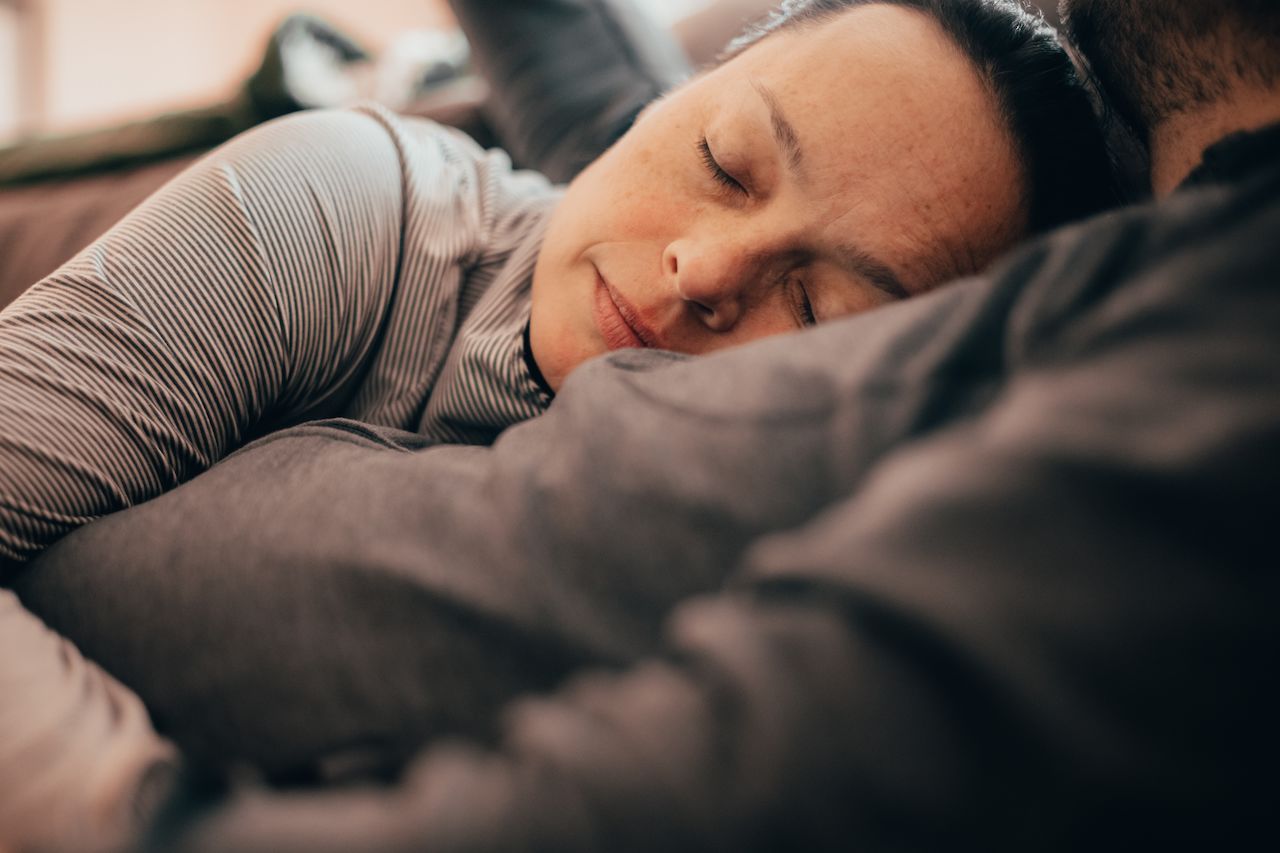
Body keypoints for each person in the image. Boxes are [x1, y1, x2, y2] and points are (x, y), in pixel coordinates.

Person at [38, 0, 1271, 848]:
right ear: (667, 105)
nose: (698, 266)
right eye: (726, 162)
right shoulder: (355, 204)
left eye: (815, 301)